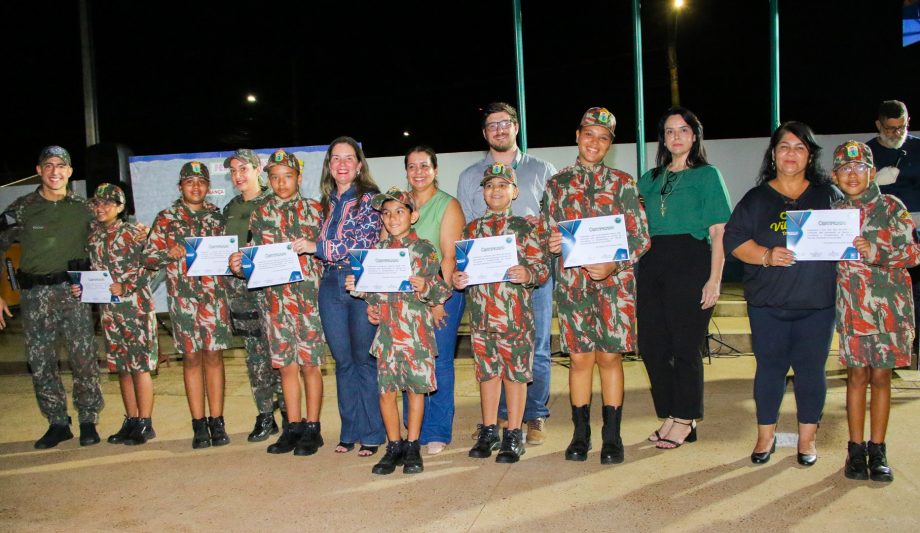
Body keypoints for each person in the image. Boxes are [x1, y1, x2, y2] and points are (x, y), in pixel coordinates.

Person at [723, 121, 842, 466]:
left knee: (811, 372)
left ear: (810, 155)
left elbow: (848, 234)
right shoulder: (756, 198)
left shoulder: (827, 195)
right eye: (784, 147)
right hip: (768, 304)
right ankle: (765, 437)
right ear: (773, 154)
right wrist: (766, 255)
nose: (792, 153)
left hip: (817, 304)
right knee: (769, 371)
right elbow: (734, 241)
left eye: (800, 147)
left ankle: (807, 441)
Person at [544, 107, 651, 464]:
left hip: (614, 286)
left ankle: (612, 435)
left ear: (610, 144)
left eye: (603, 138)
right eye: (589, 134)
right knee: (579, 359)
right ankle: (580, 434)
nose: (595, 142)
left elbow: (640, 237)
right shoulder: (556, 184)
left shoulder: (623, 183)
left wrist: (613, 264)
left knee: (609, 357)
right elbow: (547, 233)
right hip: (574, 285)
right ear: (577, 135)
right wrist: (552, 242)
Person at [457, 102, 557, 445]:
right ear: (485, 133)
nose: (499, 129)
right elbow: (465, 241)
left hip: (522, 293)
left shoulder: (542, 169)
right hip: (485, 296)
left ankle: (532, 419)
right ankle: (494, 423)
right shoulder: (471, 176)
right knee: (487, 363)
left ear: (516, 126)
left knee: (535, 352)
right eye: (491, 125)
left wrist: (530, 264)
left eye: (505, 123)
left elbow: (555, 222)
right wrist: (462, 273)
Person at [636, 107, 732, 449]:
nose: (676, 136)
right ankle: (670, 412)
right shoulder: (648, 178)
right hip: (651, 263)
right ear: (663, 138)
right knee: (651, 345)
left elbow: (719, 230)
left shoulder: (707, 175)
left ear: (695, 135)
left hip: (690, 261)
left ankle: (686, 418)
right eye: (669, 131)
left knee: (685, 345)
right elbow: (632, 224)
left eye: (683, 130)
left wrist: (714, 279)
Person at [0, 146, 104, 449]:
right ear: (39, 170)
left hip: (73, 293)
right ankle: (57, 422)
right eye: (48, 165)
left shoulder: (84, 208)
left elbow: (108, 234)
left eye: (61, 166)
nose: (55, 171)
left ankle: (87, 419)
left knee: (83, 359)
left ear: (70, 172)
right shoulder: (22, 208)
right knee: (41, 361)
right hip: (35, 296)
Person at [346, 187, 451, 475]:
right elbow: (373, 294)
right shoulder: (376, 253)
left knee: (415, 392)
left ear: (413, 215)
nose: (392, 218)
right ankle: (394, 445)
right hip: (389, 336)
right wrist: (363, 296)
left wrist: (426, 287)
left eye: (399, 211)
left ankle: (412, 445)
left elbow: (442, 290)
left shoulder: (425, 249)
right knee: (386, 392)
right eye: (386, 213)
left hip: (416, 334)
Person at [830, 141, 918, 482]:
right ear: (836, 175)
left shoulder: (892, 207)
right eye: (845, 169)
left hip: (888, 311)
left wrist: (876, 251)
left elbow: (913, 253)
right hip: (852, 310)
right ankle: (855, 450)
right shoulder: (832, 214)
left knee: (881, 378)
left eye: (859, 168)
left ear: (870, 171)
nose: (852, 174)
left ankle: (877, 449)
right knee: (856, 377)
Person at [229, 149, 326, 456]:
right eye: (275, 177)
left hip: (307, 302)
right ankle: (292, 427)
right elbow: (255, 254)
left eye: (287, 176)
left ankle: (313, 428)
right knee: (285, 367)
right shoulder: (260, 212)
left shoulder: (315, 209)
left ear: (298, 177)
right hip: (274, 302)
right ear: (268, 179)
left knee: (311, 366)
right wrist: (239, 262)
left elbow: (326, 252)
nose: (282, 183)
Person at [453, 163, 549, 463]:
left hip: (514, 318)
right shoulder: (471, 231)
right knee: (487, 375)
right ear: (483, 192)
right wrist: (458, 279)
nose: (495, 190)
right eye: (490, 185)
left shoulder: (524, 228)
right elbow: (461, 270)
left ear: (514, 191)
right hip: (482, 318)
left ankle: (514, 433)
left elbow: (543, 268)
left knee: (515, 375)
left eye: (502, 185)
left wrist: (528, 273)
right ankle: (490, 429)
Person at [145, 161, 233, 449]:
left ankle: (217, 421)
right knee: (192, 359)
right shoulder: (166, 218)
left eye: (201, 182)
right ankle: (198, 424)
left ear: (208, 186)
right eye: (189, 182)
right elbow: (147, 257)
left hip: (214, 299)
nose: (196, 187)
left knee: (214, 358)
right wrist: (167, 253)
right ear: (180, 186)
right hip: (183, 301)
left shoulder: (217, 218)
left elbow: (232, 255)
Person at [312, 137, 385, 456]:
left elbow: (357, 243)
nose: (342, 164)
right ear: (329, 166)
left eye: (348, 158)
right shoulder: (325, 202)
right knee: (342, 362)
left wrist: (311, 246)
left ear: (359, 165)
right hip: (329, 283)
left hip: (359, 282)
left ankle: (372, 432)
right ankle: (349, 430)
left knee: (364, 361)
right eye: (336, 158)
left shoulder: (370, 199)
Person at [72, 184, 158, 445]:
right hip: (109, 313)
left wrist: (127, 285)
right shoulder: (93, 237)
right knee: (121, 368)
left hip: (136, 310)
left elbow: (153, 265)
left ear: (120, 208)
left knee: (140, 367)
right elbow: (93, 271)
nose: (101, 208)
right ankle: (131, 420)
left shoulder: (134, 233)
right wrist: (81, 286)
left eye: (108, 203)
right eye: (97, 204)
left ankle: (145, 423)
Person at [398, 146, 465, 455]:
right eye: (412, 167)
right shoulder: (399, 204)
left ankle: (437, 430)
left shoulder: (447, 205)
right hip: (406, 300)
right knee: (409, 363)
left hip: (441, 293)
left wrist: (438, 300)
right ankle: (414, 429)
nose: (418, 172)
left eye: (424, 166)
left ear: (435, 170)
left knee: (439, 362)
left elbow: (449, 257)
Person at [222, 149, 285, 442]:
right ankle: (265, 415)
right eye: (233, 170)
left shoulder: (274, 202)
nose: (238, 175)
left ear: (257, 169)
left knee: (280, 352)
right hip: (241, 292)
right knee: (255, 356)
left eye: (243, 169)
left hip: (274, 291)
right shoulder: (230, 208)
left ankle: (289, 413)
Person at [866, 100, 920, 364]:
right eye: (890, 129)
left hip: (917, 228)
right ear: (879, 125)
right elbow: (847, 187)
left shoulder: (918, 148)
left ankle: (915, 346)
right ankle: (885, 345)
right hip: (880, 234)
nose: (897, 133)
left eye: (902, 127)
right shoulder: (867, 152)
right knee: (884, 293)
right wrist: (875, 181)